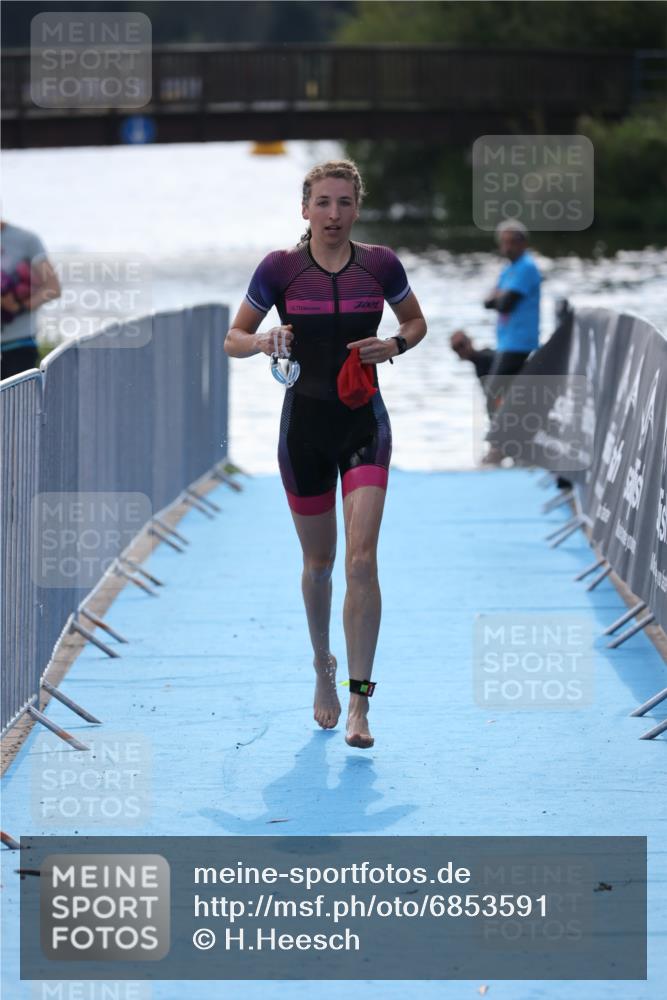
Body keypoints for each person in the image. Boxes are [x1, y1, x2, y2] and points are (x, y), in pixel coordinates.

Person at [224, 160, 426, 749]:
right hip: (303, 430)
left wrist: (392, 343)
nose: (333, 214)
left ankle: (362, 703)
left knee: (363, 560)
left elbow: (415, 322)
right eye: (323, 203)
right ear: (305, 209)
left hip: (364, 424)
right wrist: (262, 339)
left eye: (344, 203)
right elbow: (232, 339)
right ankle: (323, 668)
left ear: (356, 208)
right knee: (320, 566)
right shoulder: (280, 270)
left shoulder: (380, 265)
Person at [450, 219, 541, 455]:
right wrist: (498, 298)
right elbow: (488, 301)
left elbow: (505, 303)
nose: (507, 248)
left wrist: (499, 298)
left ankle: (500, 445)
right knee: (495, 384)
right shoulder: (508, 269)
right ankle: (511, 442)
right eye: (504, 243)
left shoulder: (527, 267)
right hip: (505, 341)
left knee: (494, 388)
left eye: (512, 242)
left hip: (519, 342)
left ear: (523, 243)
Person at [1, 219, 61, 379]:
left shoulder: (26, 240)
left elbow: (53, 288)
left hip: (17, 346)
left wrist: (18, 307)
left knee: (14, 404)